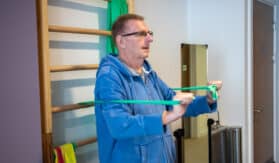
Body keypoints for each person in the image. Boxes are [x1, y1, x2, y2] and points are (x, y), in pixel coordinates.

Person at [94, 13, 222, 163]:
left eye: (149, 33)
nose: (150, 39)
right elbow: (119, 125)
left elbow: (174, 102)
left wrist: (207, 100)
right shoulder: (109, 77)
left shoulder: (149, 74)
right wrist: (166, 117)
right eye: (141, 34)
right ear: (121, 41)